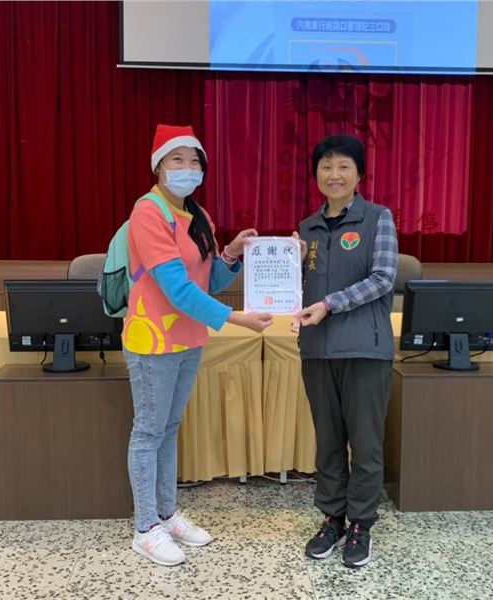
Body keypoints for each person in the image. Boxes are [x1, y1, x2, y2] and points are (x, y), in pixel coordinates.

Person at [123, 124, 273, 567]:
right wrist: (237, 319)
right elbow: (176, 289)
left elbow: (208, 281)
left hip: (188, 337)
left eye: (195, 161)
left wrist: (232, 253)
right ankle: (145, 528)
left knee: (169, 428)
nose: (187, 168)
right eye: (178, 160)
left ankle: (167, 514)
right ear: (158, 166)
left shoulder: (199, 215)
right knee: (148, 432)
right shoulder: (148, 212)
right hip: (152, 339)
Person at [293, 134, 398, 568]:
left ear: (358, 175)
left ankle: (361, 524)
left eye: (343, 166)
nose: (333, 174)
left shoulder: (378, 218)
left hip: (365, 350)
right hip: (317, 350)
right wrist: (290, 265)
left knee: (366, 443)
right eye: (325, 166)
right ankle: (332, 518)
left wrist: (329, 304)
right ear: (315, 174)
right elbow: (297, 291)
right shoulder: (306, 229)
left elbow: (383, 278)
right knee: (328, 443)